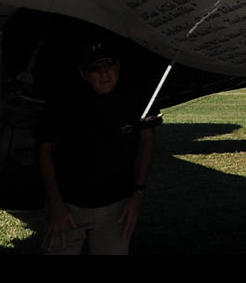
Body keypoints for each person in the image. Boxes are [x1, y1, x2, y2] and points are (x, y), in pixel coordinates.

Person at [37, 37, 157, 254]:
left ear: (119, 65)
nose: (105, 73)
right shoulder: (63, 100)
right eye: (95, 68)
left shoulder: (134, 95)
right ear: (83, 73)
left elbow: (147, 138)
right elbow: (44, 150)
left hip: (116, 208)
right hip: (69, 207)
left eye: (110, 64)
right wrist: (56, 205)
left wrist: (138, 194)